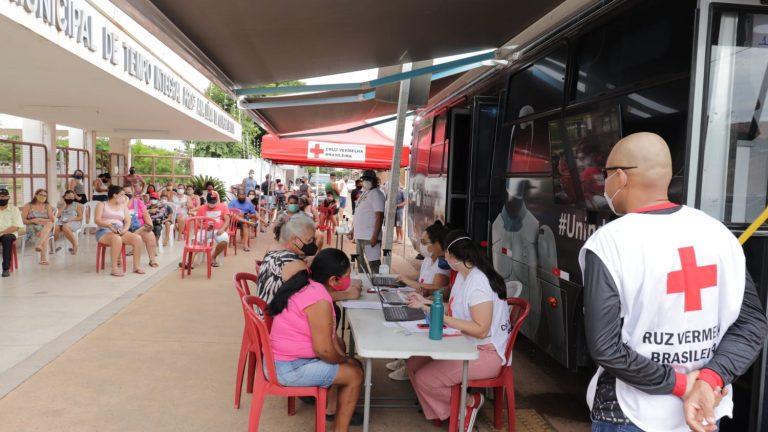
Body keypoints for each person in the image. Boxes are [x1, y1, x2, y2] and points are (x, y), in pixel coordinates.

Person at [577, 132, 768, 432]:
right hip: (704, 412)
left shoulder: (610, 243)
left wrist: (680, 384)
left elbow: (605, 347)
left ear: (621, 178)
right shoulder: (718, 235)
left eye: (607, 175)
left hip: (630, 414)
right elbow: (752, 324)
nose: (606, 184)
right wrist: (709, 379)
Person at [406, 231, 511, 431]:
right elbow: (453, 309)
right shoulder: (464, 277)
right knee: (413, 363)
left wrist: (439, 316)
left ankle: (469, 403)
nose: (444, 259)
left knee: (425, 379)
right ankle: (451, 410)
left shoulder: (478, 282)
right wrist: (425, 303)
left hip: (486, 353)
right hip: (465, 345)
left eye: (446, 255)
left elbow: (481, 330)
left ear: (454, 257)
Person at [268, 248, 364, 432]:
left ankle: (332, 407)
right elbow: (324, 350)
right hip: (288, 369)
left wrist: (343, 359)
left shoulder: (308, 285)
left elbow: (330, 339)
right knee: (355, 374)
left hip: (281, 361)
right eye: (346, 276)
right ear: (333, 280)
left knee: (349, 359)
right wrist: (343, 361)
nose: (348, 281)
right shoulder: (319, 299)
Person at [387, 221, 451, 381]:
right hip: (420, 298)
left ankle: (410, 364)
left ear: (437, 244)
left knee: (408, 317)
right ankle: (406, 359)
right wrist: (403, 280)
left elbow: (435, 288)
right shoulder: (430, 260)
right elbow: (420, 279)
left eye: (424, 242)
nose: (421, 246)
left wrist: (409, 283)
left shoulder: (443, 264)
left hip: (431, 304)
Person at [94, 185, 145, 276]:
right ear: (115, 195)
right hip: (104, 231)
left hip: (120, 230)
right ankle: (114, 269)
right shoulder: (102, 205)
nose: (124, 197)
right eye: (122, 194)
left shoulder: (123, 206)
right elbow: (97, 220)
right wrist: (108, 225)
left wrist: (124, 230)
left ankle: (136, 267)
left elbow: (128, 221)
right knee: (116, 239)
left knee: (137, 238)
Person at [348, 170, 385, 273]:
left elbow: (380, 216)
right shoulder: (365, 192)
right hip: (360, 235)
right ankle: (365, 285)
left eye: (368, 179)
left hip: (370, 237)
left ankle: (377, 287)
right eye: (364, 179)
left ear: (374, 180)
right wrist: (353, 230)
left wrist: (374, 236)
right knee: (361, 264)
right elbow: (361, 214)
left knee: (374, 264)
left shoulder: (377, 194)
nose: (365, 181)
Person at [123, 185, 159, 268]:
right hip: (125, 229)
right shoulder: (119, 203)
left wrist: (150, 225)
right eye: (124, 193)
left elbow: (146, 214)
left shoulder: (138, 202)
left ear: (132, 193)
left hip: (138, 227)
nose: (127, 194)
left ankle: (152, 260)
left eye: (129, 192)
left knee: (150, 235)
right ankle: (118, 259)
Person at [194, 191, 230, 267]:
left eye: (214, 202)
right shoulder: (202, 208)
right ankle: (190, 261)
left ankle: (213, 257)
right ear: (207, 200)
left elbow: (227, 220)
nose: (212, 204)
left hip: (218, 230)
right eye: (210, 202)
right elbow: (197, 222)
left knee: (224, 241)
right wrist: (204, 227)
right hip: (205, 230)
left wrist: (222, 229)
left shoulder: (223, 206)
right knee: (196, 241)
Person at [21, 189, 55, 265]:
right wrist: (33, 221)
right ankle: (43, 258)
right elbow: (23, 220)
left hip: (45, 227)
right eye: (41, 195)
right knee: (45, 234)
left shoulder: (47, 206)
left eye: (45, 195)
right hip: (32, 227)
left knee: (48, 225)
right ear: (36, 195)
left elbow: (52, 220)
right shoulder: (28, 206)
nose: (43, 197)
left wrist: (39, 219)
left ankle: (39, 245)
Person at [0, 188, 24, 277]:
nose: (2, 199)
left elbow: (16, 226)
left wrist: (2, 232)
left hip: (9, 233)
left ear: (8, 197)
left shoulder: (14, 209)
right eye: (0, 197)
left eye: (4, 196)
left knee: (6, 239)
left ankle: (6, 269)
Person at [228, 188, 258, 252]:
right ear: (237, 195)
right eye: (240, 196)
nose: (242, 197)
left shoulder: (249, 204)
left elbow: (254, 214)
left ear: (245, 195)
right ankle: (249, 222)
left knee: (245, 224)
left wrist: (244, 214)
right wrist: (239, 214)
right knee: (239, 217)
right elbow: (230, 212)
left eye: (243, 196)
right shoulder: (233, 202)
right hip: (234, 221)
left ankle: (245, 245)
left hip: (244, 219)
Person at [55, 190, 84, 254]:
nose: (71, 198)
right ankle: (53, 246)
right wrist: (63, 206)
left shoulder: (77, 205)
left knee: (65, 227)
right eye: (69, 196)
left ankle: (75, 245)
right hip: (61, 222)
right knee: (55, 228)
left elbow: (80, 217)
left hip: (74, 221)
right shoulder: (60, 204)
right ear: (64, 197)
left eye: (72, 197)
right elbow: (57, 215)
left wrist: (71, 219)